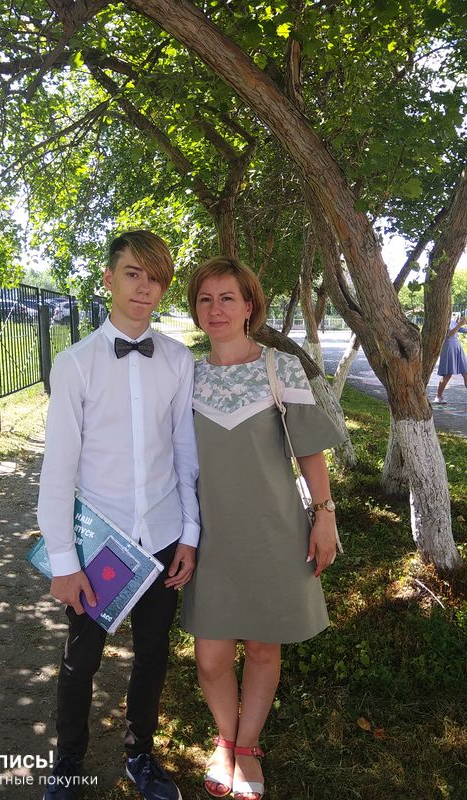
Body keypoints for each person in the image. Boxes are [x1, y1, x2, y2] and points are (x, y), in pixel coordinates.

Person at [37, 230, 200, 800]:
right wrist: (64, 561)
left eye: (155, 278)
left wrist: (190, 534)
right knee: (81, 660)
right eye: (133, 273)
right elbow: (58, 469)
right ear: (109, 279)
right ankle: (68, 763)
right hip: (100, 545)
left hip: (162, 535)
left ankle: (140, 755)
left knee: (152, 655)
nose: (144, 287)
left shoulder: (178, 360)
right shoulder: (75, 364)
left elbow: (185, 454)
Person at [180, 257, 345, 800]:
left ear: (249, 305)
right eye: (205, 299)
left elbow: (309, 451)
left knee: (263, 649)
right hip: (209, 537)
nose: (216, 309)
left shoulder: (280, 367)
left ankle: (244, 746)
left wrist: (324, 516)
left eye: (227, 297)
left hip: (274, 532)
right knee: (210, 658)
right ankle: (224, 738)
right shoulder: (187, 375)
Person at [433, 312, 467, 404]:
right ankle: (438, 397)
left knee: (465, 372)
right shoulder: (441, 323)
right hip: (448, 348)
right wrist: (459, 324)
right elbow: (449, 334)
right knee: (448, 374)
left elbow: (463, 330)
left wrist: (462, 323)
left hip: (457, 348)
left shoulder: (452, 321)